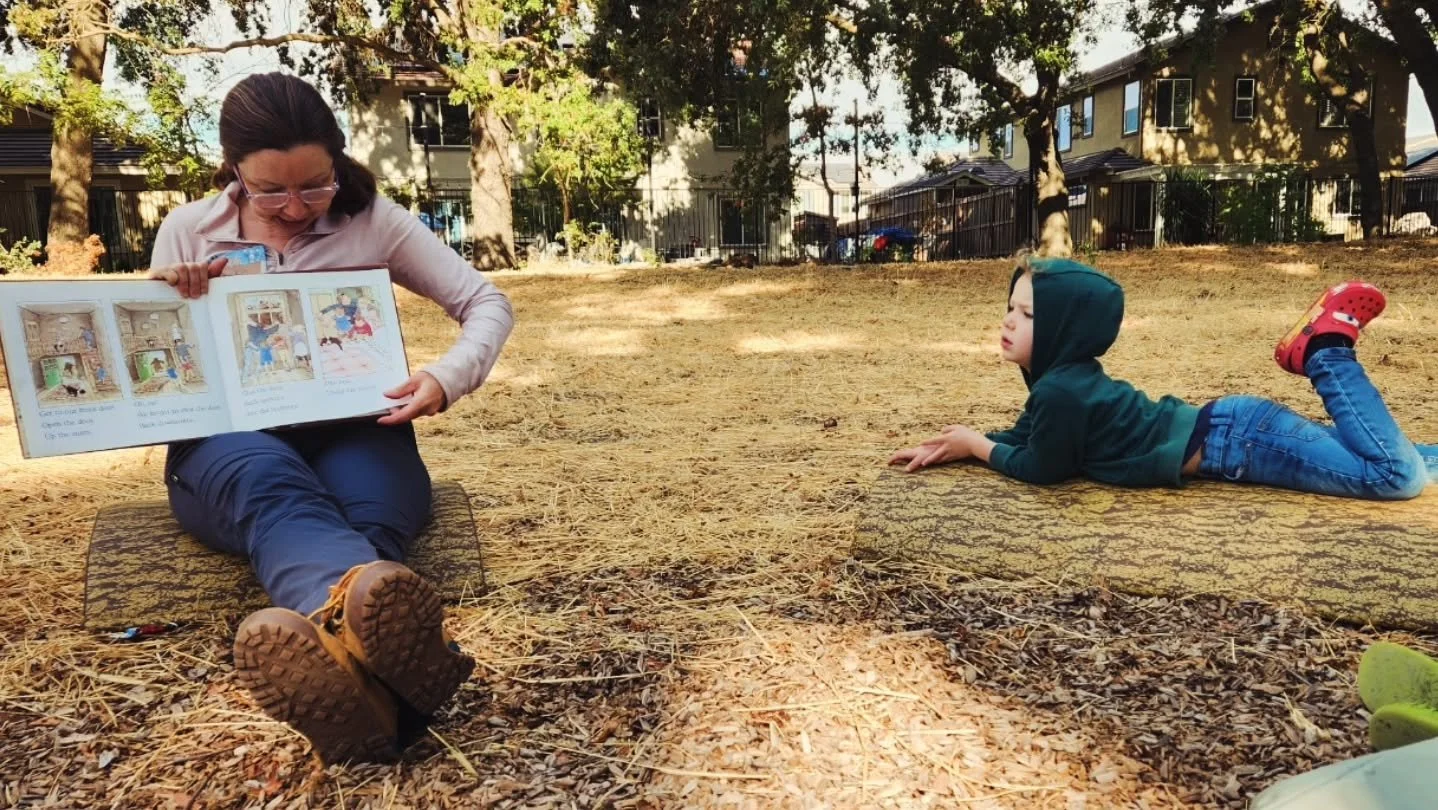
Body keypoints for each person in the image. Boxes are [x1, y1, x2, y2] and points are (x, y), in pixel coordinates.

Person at [146, 72, 514, 765]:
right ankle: (401, 666)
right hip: (229, 443)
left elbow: (487, 302)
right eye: (270, 190)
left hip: (353, 429)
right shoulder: (188, 231)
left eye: (315, 185)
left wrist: (445, 377)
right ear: (233, 171)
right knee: (271, 485)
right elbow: (167, 375)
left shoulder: (375, 219)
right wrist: (169, 302)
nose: (294, 208)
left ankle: (365, 696)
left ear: (339, 161)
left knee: (372, 517)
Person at [889, 253, 1436, 501]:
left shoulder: (1061, 389)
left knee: (1393, 476)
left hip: (1239, 441)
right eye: (1011, 307)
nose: (1009, 322)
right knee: (1399, 459)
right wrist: (967, 442)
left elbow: (1043, 468)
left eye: (1029, 315)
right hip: (1234, 429)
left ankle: (1326, 350)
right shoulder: (1064, 382)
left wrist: (978, 447)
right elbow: (1034, 436)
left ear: (1066, 330)